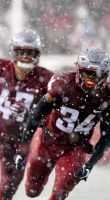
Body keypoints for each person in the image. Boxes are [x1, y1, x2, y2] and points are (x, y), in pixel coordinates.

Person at [0, 29, 54, 200]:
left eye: (30, 52)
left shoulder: (45, 78)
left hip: (21, 141)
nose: (26, 56)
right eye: (21, 51)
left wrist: (35, 116)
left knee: (8, 191)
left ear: (38, 54)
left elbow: (51, 110)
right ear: (13, 51)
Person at [16, 48, 110, 200]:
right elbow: (36, 114)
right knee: (32, 191)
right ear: (78, 70)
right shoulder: (63, 83)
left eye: (96, 74)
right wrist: (23, 147)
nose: (90, 80)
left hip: (76, 148)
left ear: (105, 76)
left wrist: (90, 164)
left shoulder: (107, 95)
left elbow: (106, 136)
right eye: (87, 73)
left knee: (60, 192)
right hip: (48, 140)